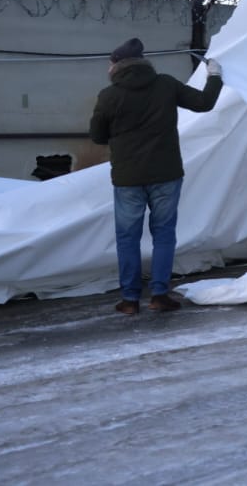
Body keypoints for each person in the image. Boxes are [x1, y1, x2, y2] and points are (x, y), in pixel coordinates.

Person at [90, 37, 223, 315]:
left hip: (128, 178)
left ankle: (129, 300)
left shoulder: (109, 96)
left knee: (127, 238)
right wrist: (214, 77)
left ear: (117, 65)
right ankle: (159, 295)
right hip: (166, 174)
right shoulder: (165, 84)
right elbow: (204, 103)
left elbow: (98, 136)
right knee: (163, 235)